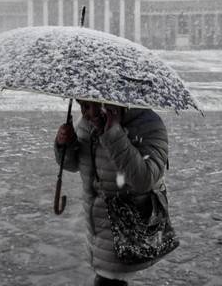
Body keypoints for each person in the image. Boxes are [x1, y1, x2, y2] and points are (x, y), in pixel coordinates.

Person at [54, 100, 169, 286]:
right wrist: (64, 144)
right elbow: (73, 164)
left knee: (109, 280)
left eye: (91, 106)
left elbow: (144, 180)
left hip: (128, 228)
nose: (86, 113)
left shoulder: (149, 124)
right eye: (81, 106)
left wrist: (113, 133)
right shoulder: (86, 123)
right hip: (96, 224)